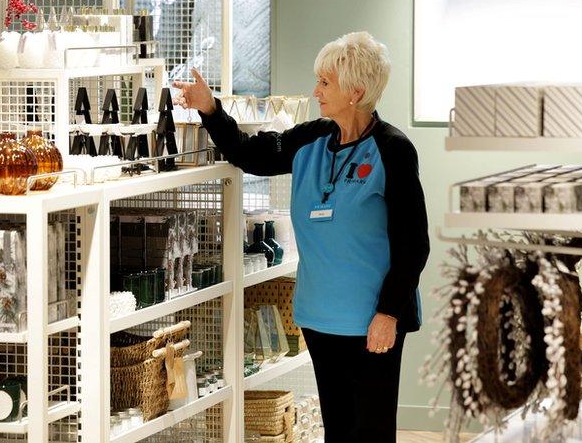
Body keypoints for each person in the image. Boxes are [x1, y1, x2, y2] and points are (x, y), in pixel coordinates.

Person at [173, 31, 429, 442]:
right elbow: (248, 153)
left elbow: (413, 244)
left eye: (326, 82)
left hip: (373, 322)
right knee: (338, 430)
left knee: (371, 432)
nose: (316, 91)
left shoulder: (393, 149)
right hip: (319, 315)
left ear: (356, 91)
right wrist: (210, 109)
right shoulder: (311, 137)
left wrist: (389, 313)